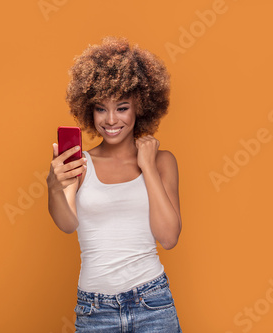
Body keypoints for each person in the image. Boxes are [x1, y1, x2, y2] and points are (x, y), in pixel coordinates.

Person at [46, 36, 182, 332]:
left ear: (140, 108)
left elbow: (169, 237)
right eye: (100, 108)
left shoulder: (162, 162)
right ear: (88, 109)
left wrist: (146, 166)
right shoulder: (79, 163)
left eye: (122, 108)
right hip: (95, 310)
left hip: (153, 304)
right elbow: (68, 224)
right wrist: (54, 187)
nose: (110, 120)